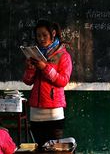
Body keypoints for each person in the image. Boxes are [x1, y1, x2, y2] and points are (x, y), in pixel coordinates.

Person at [22, 19, 73, 149]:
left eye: (45, 35)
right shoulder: (35, 54)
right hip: (35, 111)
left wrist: (44, 67)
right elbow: (28, 81)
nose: (41, 39)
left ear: (53, 33)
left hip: (54, 112)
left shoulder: (63, 56)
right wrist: (30, 68)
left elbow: (63, 81)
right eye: (38, 36)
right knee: (39, 149)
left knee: (54, 149)